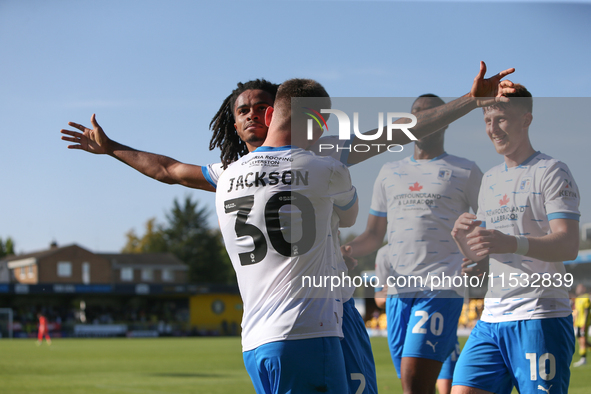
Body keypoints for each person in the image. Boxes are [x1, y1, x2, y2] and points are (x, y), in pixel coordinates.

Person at [61, 62, 515, 394]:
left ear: (279, 111)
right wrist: (114, 147)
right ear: (235, 123)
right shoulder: (249, 168)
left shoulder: (299, 156)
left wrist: (465, 101)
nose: (253, 115)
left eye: (263, 106)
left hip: (316, 319)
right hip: (304, 326)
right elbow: (166, 169)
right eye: (243, 110)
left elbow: (401, 131)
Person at [215, 78, 358, 393]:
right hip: (306, 333)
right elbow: (349, 216)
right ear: (318, 126)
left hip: (254, 342)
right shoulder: (329, 169)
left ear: (269, 118)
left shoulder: (226, 177)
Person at [342, 93, 482, 394]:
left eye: (431, 114)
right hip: (398, 293)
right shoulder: (388, 172)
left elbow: (490, 222)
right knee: (415, 385)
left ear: (444, 121)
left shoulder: (465, 170)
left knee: (414, 382)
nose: (423, 120)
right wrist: (344, 251)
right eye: (416, 114)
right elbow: (373, 236)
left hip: (442, 285)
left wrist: (479, 258)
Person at [451, 84, 580, 394]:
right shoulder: (490, 179)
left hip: (540, 317)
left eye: (502, 119)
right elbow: (482, 265)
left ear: (527, 119)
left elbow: (568, 244)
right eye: (487, 121)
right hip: (491, 319)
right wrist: (464, 245)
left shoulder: (552, 171)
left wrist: (513, 243)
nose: (493, 129)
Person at [374, 245, 460, 394]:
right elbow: (378, 297)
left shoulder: (429, 241)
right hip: (404, 323)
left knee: (446, 388)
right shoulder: (384, 253)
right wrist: (387, 293)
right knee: (417, 385)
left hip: (435, 309)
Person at [573, 284, 590, 367]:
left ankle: (583, 359)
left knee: (583, 341)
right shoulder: (577, 299)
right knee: (581, 341)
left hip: (584, 323)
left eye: (579, 288)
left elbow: (587, 311)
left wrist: (585, 323)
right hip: (578, 323)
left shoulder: (586, 298)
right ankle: (583, 359)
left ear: (583, 288)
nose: (577, 289)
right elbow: (577, 312)